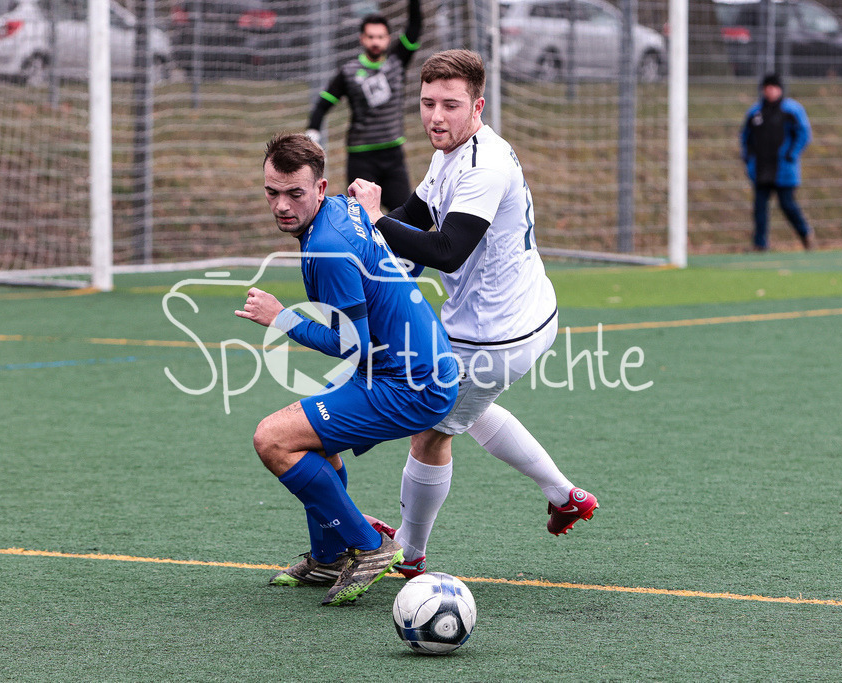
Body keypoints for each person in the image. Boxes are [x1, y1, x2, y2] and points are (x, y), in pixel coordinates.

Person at [348, 49, 598, 578]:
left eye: (451, 105)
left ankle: (409, 558)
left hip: (494, 336)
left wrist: (373, 222)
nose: (436, 117)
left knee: (431, 432)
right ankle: (566, 495)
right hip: (519, 314)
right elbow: (416, 216)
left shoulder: (486, 166)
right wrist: (370, 236)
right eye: (427, 103)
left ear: (477, 106)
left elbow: (446, 250)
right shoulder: (452, 150)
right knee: (467, 409)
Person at [236, 133, 458, 606]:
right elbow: (397, 266)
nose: (281, 205)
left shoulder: (328, 245)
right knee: (310, 437)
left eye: (294, 193)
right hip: (409, 368)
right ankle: (330, 556)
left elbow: (350, 344)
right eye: (272, 193)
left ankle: (371, 546)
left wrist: (282, 318)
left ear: (320, 188)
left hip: (407, 383)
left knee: (272, 438)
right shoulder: (344, 211)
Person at [305, 0, 422, 211]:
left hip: (393, 154)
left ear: (388, 39)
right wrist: (313, 133)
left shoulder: (396, 62)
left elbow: (414, 28)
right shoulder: (349, 72)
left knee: (404, 216)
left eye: (380, 37)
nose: (375, 41)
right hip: (362, 156)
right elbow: (323, 104)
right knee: (362, 219)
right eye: (370, 37)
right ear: (362, 38)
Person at [740, 73, 814, 251]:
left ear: (780, 89)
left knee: (787, 205)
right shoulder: (755, 112)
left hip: (783, 169)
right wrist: (748, 158)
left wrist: (791, 153)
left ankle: (806, 234)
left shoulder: (792, 110)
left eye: (774, 87)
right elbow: (745, 138)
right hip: (761, 168)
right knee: (759, 208)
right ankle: (760, 244)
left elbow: (804, 134)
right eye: (767, 87)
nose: (770, 91)